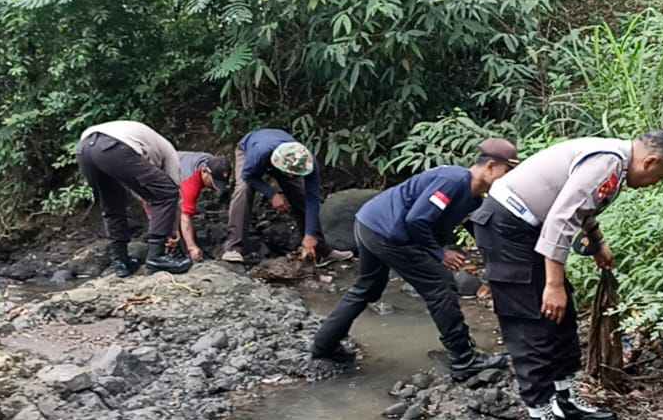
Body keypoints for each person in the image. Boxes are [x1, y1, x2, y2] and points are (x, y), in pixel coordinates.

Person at [470, 131, 663, 420]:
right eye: (658, 177)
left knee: (561, 315)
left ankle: (564, 399)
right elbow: (560, 218)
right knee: (533, 322)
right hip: (506, 227)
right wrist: (553, 284)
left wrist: (596, 242)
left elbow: (580, 207)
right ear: (650, 161)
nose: (654, 184)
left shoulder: (614, 163)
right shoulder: (608, 161)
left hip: (529, 229)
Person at [311, 139, 520, 379]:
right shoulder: (453, 181)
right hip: (387, 233)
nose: (509, 179)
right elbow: (417, 220)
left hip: (369, 222)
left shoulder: (473, 196)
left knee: (367, 287)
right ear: (491, 166)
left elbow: (469, 227)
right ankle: (464, 359)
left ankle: (324, 346)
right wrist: (440, 253)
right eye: (508, 171)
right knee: (441, 286)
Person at [77, 121, 193, 277]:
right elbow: (172, 194)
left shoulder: (146, 149)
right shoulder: (169, 153)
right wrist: (172, 232)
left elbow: (146, 197)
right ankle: (157, 257)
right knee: (167, 191)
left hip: (84, 149)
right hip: (113, 146)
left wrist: (162, 223)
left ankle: (120, 261)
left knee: (112, 204)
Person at [221, 128, 352, 263]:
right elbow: (248, 176)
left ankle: (320, 249)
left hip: (281, 157)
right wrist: (272, 194)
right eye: (290, 174)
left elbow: (312, 199)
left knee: (299, 195)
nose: (292, 177)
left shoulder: (307, 160)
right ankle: (233, 247)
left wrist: (310, 234)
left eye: (295, 174)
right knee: (243, 189)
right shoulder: (258, 154)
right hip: (249, 150)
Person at [175, 151, 231, 262]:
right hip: (150, 171)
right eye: (213, 182)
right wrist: (192, 247)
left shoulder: (212, 162)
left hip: (174, 164)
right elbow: (185, 216)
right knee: (166, 216)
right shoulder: (191, 180)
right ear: (205, 171)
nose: (214, 187)